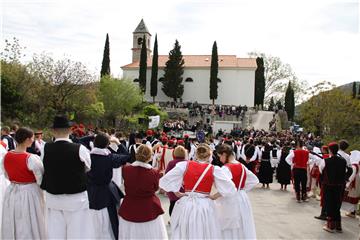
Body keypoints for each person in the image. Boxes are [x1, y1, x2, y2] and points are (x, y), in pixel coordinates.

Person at [159, 144, 235, 239]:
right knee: (204, 231)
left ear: (196, 154)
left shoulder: (184, 165)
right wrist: (214, 196)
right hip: (205, 205)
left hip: (187, 203)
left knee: (186, 230)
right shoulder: (214, 169)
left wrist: (177, 193)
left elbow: (165, 180)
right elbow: (230, 188)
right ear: (209, 155)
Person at [40, 115, 96, 239]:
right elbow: (88, 167)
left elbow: (44, 167)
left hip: (53, 197)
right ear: (71, 130)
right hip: (76, 198)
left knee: (55, 233)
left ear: (53, 131)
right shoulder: (80, 149)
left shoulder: (45, 148)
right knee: (79, 233)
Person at [1, 127, 46, 239]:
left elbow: (6, 174)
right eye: (32, 138)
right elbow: (40, 179)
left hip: (12, 191)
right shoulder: (31, 158)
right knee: (28, 221)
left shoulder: (6, 156)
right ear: (26, 140)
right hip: (29, 192)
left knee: (14, 219)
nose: (33, 140)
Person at [118, 144, 167, 239]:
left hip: (129, 206)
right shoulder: (153, 173)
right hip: (149, 208)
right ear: (149, 157)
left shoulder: (126, 169)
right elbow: (156, 188)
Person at [87, 133, 130, 239]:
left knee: (92, 219)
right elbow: (127, 156)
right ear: (107, 144)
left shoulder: (87, 156)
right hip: (107, 191)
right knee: (110, 220)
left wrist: (92, 136)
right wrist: (118, 143)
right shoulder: (110, 157)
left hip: (90, 191)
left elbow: (79, 141)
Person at [214, 144, 259, 239]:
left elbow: (224, 189)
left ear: (225, 154)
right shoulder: (241, 165)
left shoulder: (225, 168)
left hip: (230, 199)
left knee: (229, 224)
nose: (220, 160)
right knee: (243, 222)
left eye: (220, 156)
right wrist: (242, 190)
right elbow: (254, 180)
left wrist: (214, 197)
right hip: (242, 197)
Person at [319, 142, 349, 233]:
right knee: (337, 204)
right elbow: (347, 171)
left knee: (329, 205)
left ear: (330, 150)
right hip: (340, 186)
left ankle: (330, 226)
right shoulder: (343, 161)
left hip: (329, 186)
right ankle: (338, 225)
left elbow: (321, 171)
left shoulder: (325, 161)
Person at [164, 146, 188, 216]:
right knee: (183, 204)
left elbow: (167, 174)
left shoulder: (171, 163)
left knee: (173, 204)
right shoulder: (188, 162)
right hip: (184, 186)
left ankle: (172, 219)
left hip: (173, 187)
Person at [342, 150, 360, 218]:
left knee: (351, 197)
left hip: (353, 183)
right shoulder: (358, 164)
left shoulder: (354, 165)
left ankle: (352, 212)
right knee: (354, 197)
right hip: (357, 182)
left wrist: (347, 184)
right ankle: (353, 212)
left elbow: (352, 176)